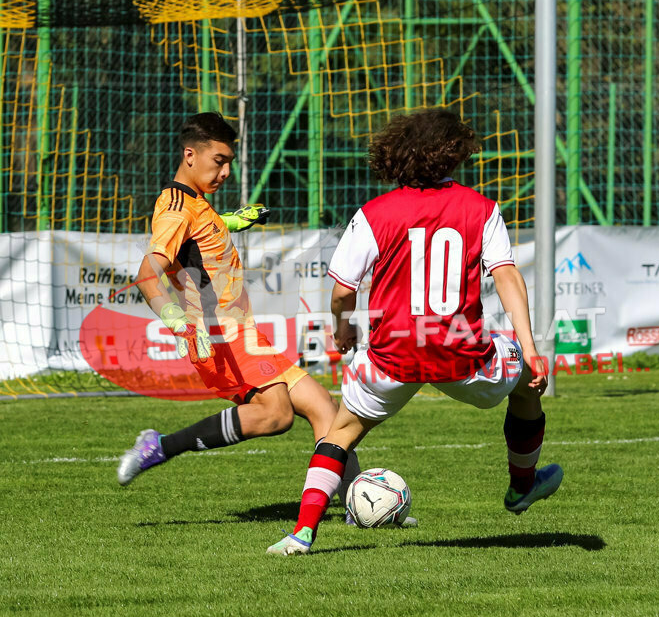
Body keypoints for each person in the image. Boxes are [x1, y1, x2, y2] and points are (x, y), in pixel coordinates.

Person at [267, 109, 562, 556]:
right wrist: (529, 347)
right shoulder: (481, 208)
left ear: (398, 153)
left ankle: (302, 533)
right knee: (525, 387)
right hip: (462, 355)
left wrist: (344, 329)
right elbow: (506, 276)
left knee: (341, 433)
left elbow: (342, 291)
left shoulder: (374, 213)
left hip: (392, 355)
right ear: (454, 153)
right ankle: (522, 485)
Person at [116, 112, 363, 502]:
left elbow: (198, 235)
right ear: (190, 155)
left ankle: (357, 503)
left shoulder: (196, 203)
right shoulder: (178, 208)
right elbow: (148, 274)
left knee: (324, 410)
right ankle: (159, 446)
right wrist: (177, 322)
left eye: (230, 162)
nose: (227, 171)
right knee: (276, 414)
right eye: (219, 161)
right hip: (217, 338)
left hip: (242, 333)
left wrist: (228, 221)